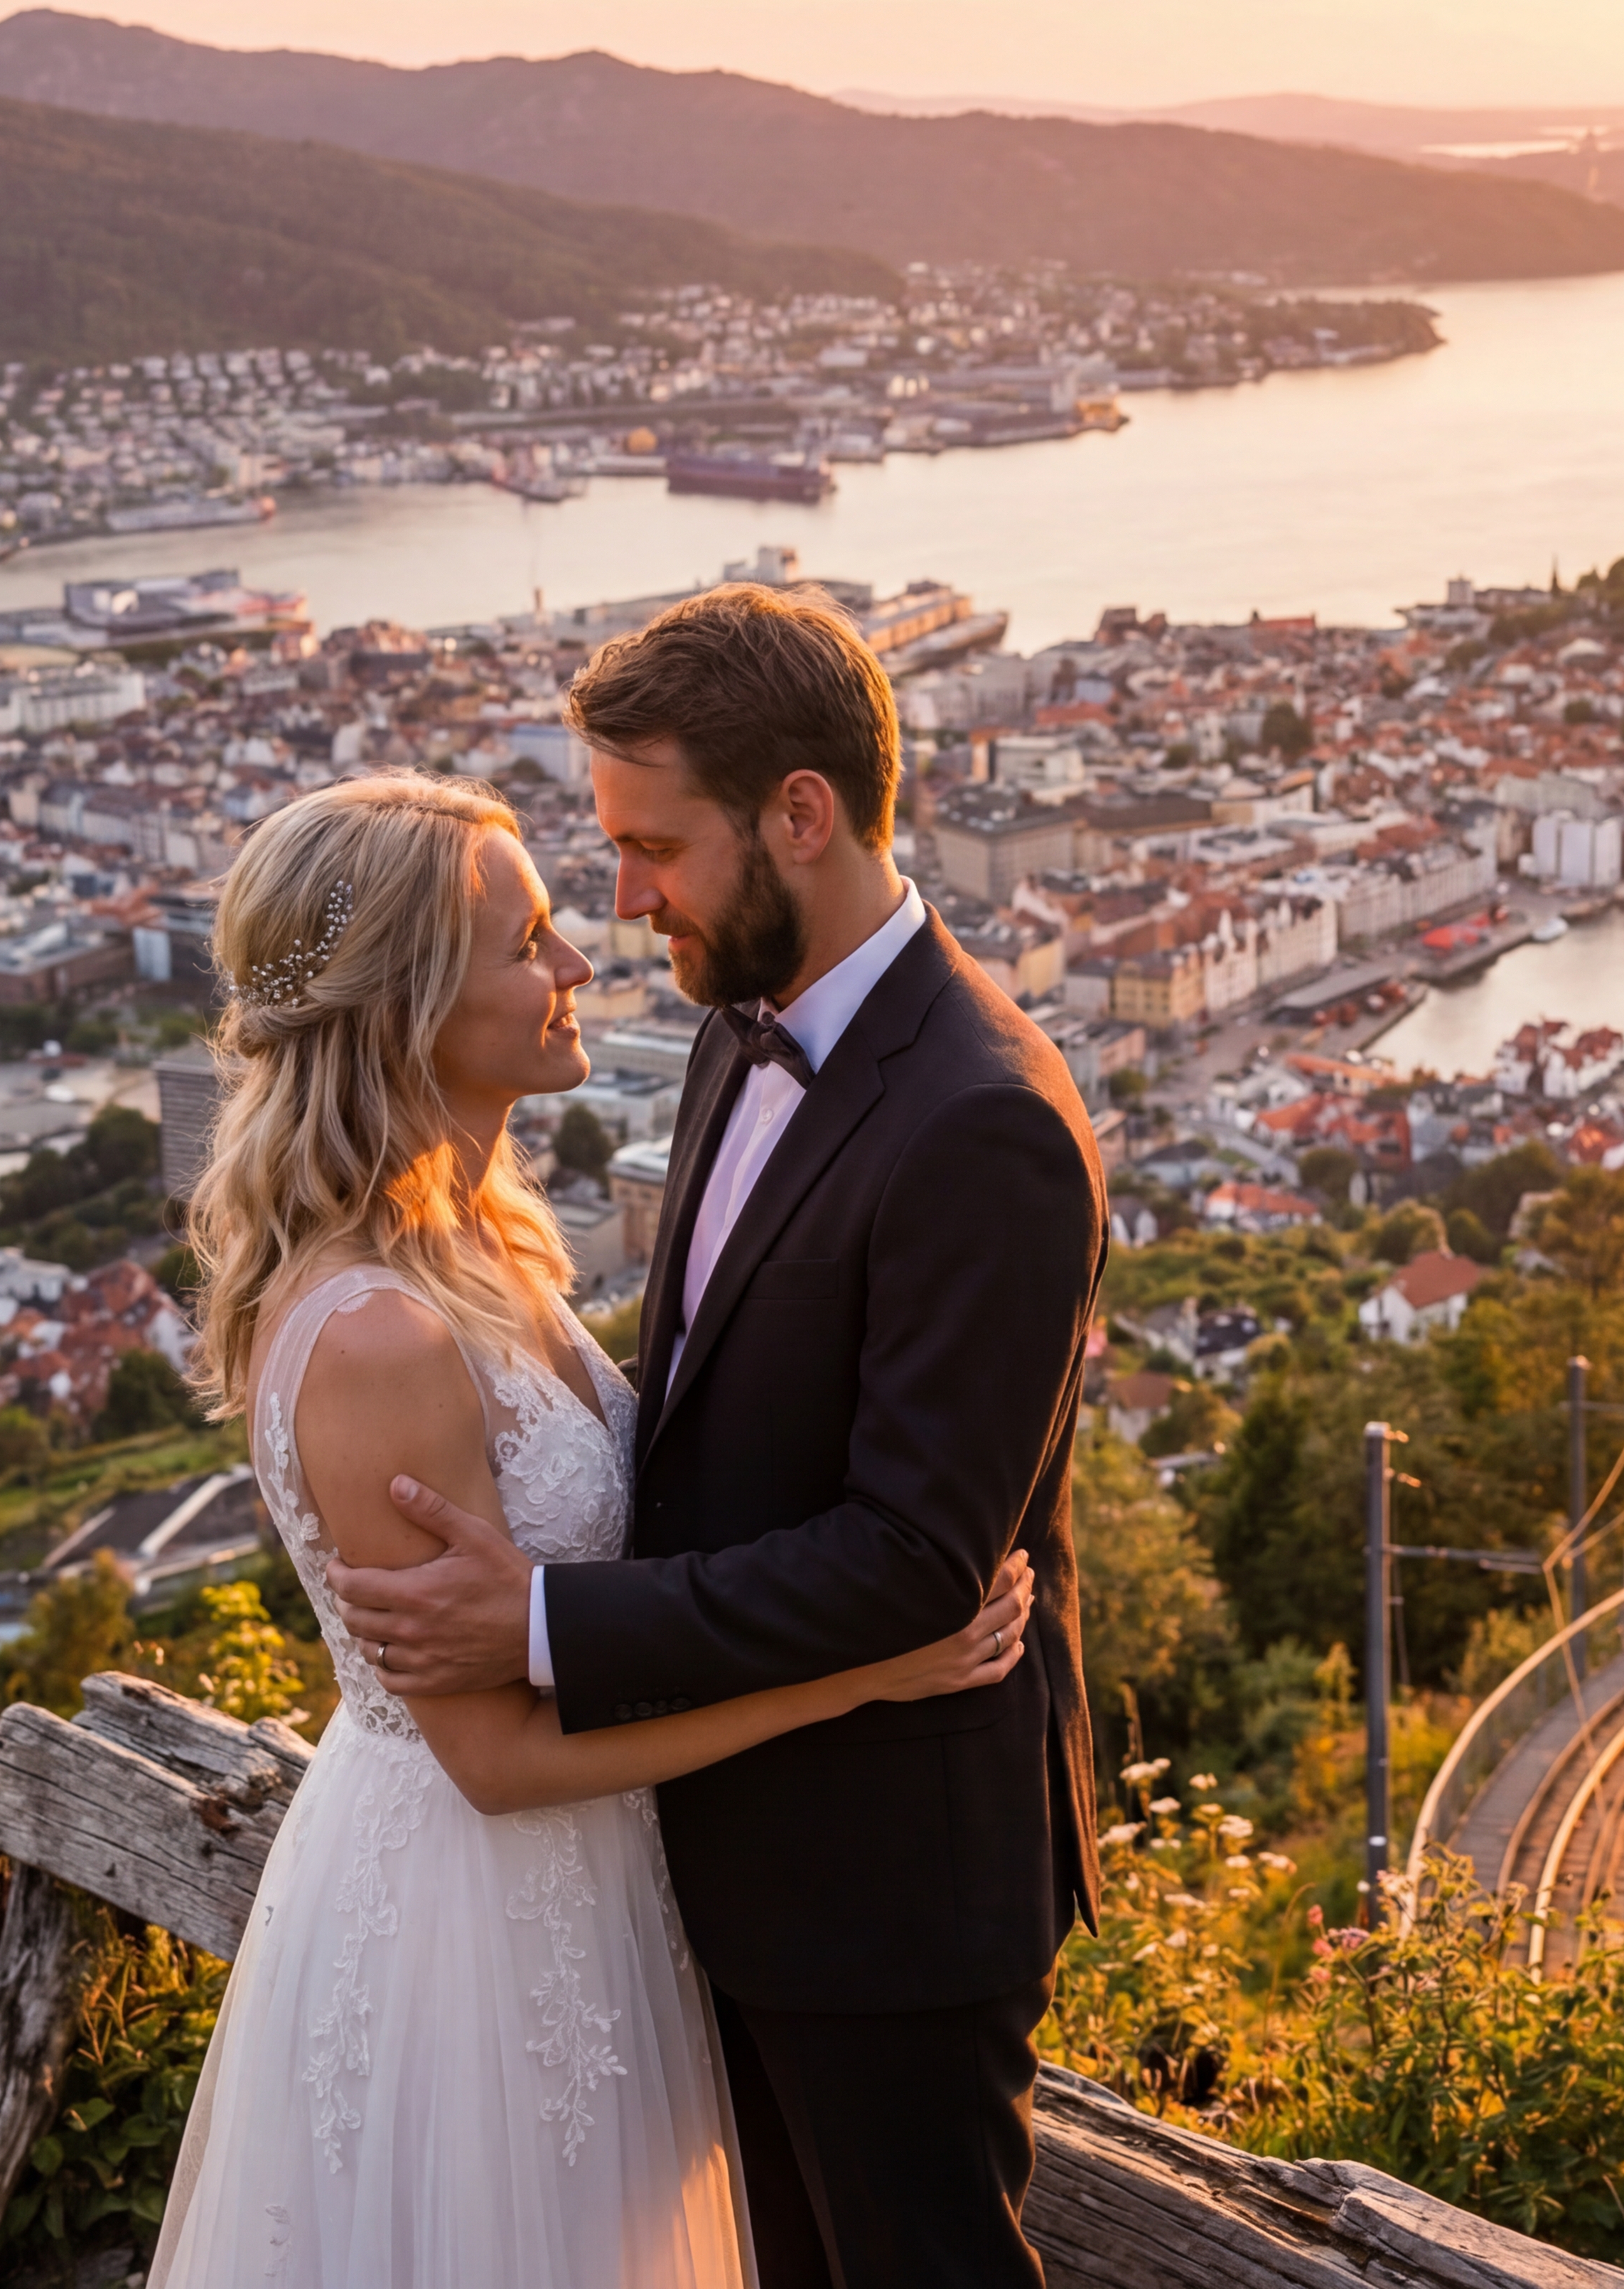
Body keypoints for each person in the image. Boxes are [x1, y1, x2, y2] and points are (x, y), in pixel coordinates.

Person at [149, 770, 1038, 2289]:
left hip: (595, 1891)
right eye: (528, 942)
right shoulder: (377, 1335)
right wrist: (863, 1674)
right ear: (410, 1004)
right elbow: (491, 1758)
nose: (578, 965)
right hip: (473, 1927)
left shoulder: (476, 1244)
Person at [335, 586, 1107, 2288]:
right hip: (717, 1851)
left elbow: (916, 1557)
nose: (620, 901)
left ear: (800, 815)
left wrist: (534, 1622)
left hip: (887, 1883)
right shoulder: (733, 1023)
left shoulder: (980, 1120)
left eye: (650, 844)